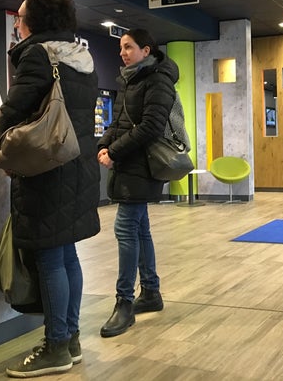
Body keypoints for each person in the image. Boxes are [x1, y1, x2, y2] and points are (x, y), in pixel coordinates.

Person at [0, 0, 100, 377]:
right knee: (66, 255)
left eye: (21, 18)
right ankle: (69, 339)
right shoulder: (82, 59)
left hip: (46, 171)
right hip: (76, 167)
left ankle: (56, 346)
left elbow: (13, 111)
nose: (18, 24)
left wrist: (1, 148)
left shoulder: (39, 55)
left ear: (34, 21)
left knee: (49, 258)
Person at [97, 28, 178, 338]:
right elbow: (118, 122)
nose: (122, 53)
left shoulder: (158, 79)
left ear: (146, 50)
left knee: (125, 229)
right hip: (128, 165)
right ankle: (151, 292)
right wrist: (104, 144)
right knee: (140, 229)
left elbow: (151, 126)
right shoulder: (129, 79)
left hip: (142, 166)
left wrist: (114, 152)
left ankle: (124, 303)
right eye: (121, 48)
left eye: (128, 47)